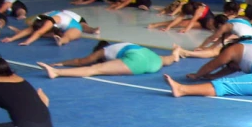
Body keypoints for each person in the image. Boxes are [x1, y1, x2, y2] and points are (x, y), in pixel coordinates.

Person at [163, 37, 252, 98]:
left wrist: (197, 75)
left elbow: (213, 64)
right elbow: (233, 67)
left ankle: (182, 90)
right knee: (235, 80)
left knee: (227, 85)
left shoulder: (233, 49)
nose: (235, 68)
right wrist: (213, 76)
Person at [37, 41, 180, 78]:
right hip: (152, 58)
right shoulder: (121, 46)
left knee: (95, 69)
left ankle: (56, 73)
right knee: (168, 59)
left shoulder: (104, 51)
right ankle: (176, 54)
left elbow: (83, 61)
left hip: (136, 61)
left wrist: (62, 64)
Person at [174, 15, 252, 59]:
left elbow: (212, 38)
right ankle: (186, 52)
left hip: (247, 45)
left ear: (219, 24)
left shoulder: (225, 26)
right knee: (216, 49)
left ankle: (186, 53)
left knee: (215, 52)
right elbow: (221, 39)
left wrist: (201, 47)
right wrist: (207, 48)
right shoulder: (234, 22)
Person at [1, 11, 83, 46]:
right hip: (58, 27)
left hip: (74, 28)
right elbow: (30, 29)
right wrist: (11, 39)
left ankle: (61, 40)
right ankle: (20, 32)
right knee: (34, 30)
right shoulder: (40, 19)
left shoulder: (49, 21)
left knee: (67, 36)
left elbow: (39, 33)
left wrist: (27, 42)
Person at [147, 1, 216, 33]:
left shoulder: (199, 10)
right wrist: (168, 27)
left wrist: (186, 30)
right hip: (199, 21)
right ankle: (157, 24)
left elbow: (192, 22)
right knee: (182, 22)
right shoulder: (187, 6)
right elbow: (179, 19)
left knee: (210, 25)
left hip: (208, 20)